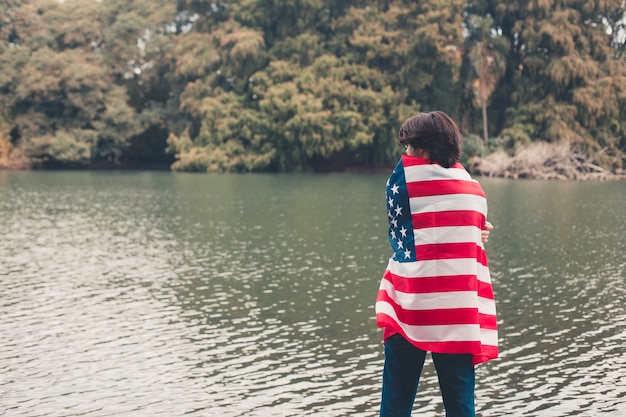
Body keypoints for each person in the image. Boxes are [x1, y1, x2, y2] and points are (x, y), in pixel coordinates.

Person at [375, 111, 498, 417]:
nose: (404, 154)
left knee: (396, 404)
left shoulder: (402, 183)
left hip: (409, 308)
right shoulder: (475, 193)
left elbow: (401, 232)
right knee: (460, 407)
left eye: (409, 146)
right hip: (457, 314)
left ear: (425, 149)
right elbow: (471, 232)